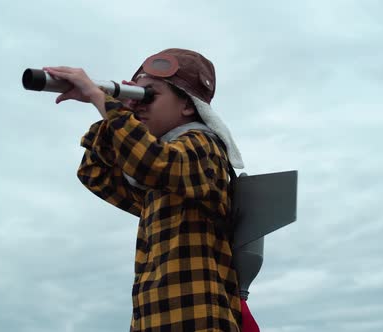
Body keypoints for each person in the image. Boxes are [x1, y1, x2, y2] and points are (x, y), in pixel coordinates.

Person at [44, 48, 246, 331]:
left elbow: (155, 162)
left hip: (198, 321)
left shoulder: (203, 148)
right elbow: (94, 173)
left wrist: (101, 99)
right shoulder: (161, 186)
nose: (140, 105)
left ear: (188, 105)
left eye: (149, 95)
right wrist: (120, 110)